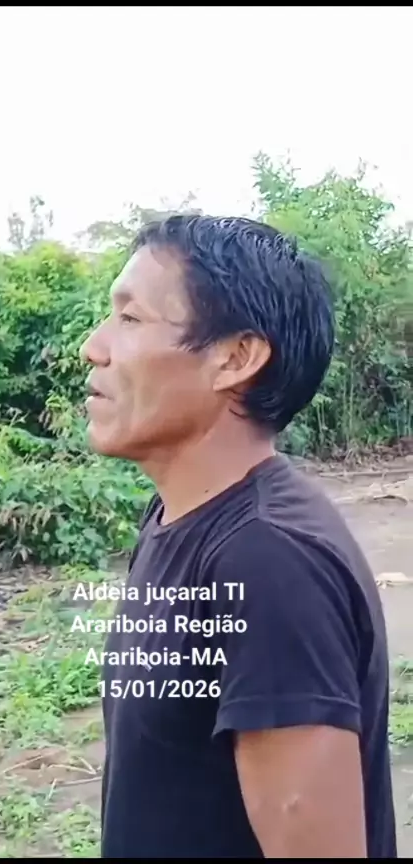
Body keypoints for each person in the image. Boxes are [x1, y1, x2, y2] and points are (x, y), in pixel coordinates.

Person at [80, 214, 396, 858]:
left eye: (131, 318)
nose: (95, 346)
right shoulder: (177, 516)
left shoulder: (269, 559)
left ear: (236, 358)